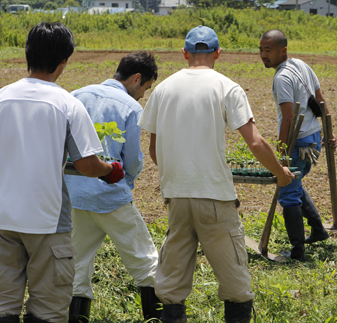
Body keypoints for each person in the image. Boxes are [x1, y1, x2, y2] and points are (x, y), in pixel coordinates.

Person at [138, 26, 294, 323]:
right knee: (235, 281)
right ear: (218, 54)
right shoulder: (227, 87)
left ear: (185, 53)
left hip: (177, 197)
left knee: (171, 283)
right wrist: (280, 173)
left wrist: (181, 173)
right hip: (215, 199)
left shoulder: (163, 90)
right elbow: (256, 142)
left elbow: (155, 151)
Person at [0, 22, 124, 323]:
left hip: (2, 219)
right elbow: (86, 165)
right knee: (48, 309)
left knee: (3, 306)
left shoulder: (2, 97)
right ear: (64, 60)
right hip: (48, 221)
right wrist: (111, 171)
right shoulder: (67, 104)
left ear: (27, 54)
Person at [64, 52, 161, 323]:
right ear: (136, 79)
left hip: (74, 194)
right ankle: (156, 317)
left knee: (77, 264)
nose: (143, 95)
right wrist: (128, 180)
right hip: (110, 196)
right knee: (145, 259)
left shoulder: (76, 95)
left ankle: (76, 318)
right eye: (145, 88)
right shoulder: (130, 107)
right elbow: (131, 159)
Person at [259, 29, 337, 262]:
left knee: (289, 193)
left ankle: (297, 252)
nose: (263, 55)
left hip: (298, 142)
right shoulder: (302, 65)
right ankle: (319, 230)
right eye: (261, 50)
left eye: (268, 50)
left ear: (283, 51)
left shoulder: (282, 77)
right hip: (313, 139)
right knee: (294, 182)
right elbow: (321, 102)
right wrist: (328, 134)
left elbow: (289, 117)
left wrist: (281, 154)